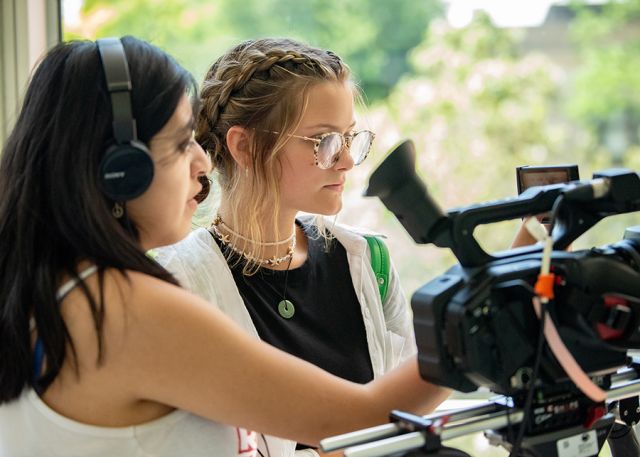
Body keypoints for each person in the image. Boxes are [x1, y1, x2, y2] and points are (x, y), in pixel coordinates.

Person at [0, 36, 450, 457]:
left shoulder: (58, 294)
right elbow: (358, 418)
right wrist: (468, 325)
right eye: (180, 144)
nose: (202, 161)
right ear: (122, 171)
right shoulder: (124, 312)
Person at [154, 38, 417, 455]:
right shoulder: (174, 285)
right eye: (325, 141)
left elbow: (408, 427)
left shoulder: (368, 263)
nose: (347, 160)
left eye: (351, 137)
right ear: (245, 146)